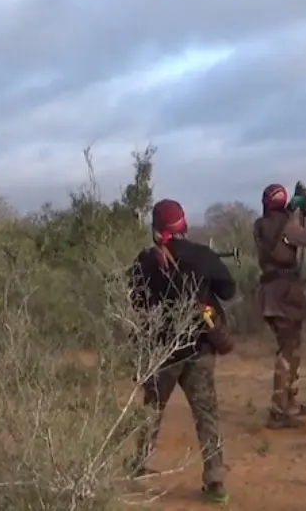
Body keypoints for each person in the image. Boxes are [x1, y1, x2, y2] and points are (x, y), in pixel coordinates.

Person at [128, 199, 236, 505]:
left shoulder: (145, 261)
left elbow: (135, 300)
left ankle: (139, 466)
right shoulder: (203, 255)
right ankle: (215, 480)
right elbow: (228, 291)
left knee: (151, 411)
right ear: (183, 224)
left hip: (161, 352)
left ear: (156, 228)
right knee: (206, 415)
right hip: (200, 349)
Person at [252, 182, 306, 429]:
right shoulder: (288, 228)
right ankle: (278, 410)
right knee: (288, 349)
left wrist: (292, 207)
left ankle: (288, 402)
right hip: (285, 293)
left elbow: (277, 225)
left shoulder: (261, 225)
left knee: (291, 347)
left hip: (269, 292)